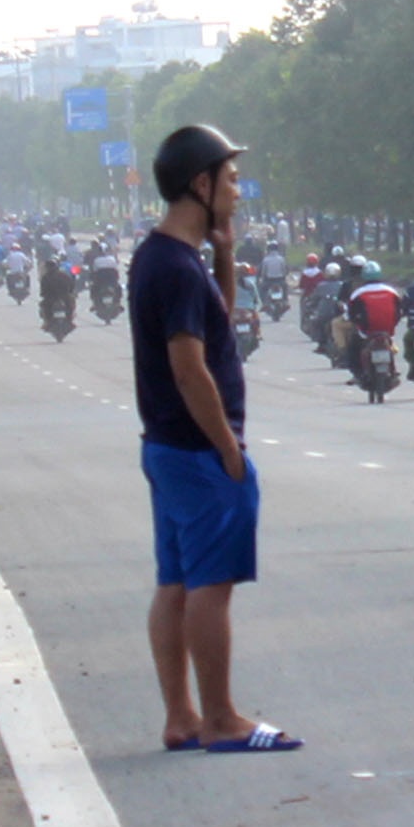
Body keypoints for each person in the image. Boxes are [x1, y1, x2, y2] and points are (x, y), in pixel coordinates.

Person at [129, 124, 298, 754]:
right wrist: (227, 448)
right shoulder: (173, 268)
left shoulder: (169, 260)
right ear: (199, 185)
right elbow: (189, 365)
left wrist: (225, 253)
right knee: (211, 585)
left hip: (169, 448)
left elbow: (215, 326)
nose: (238, 190)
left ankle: (182, 717)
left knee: (176, 582)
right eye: (229, 179)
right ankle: (222, 718)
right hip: (198, 451)